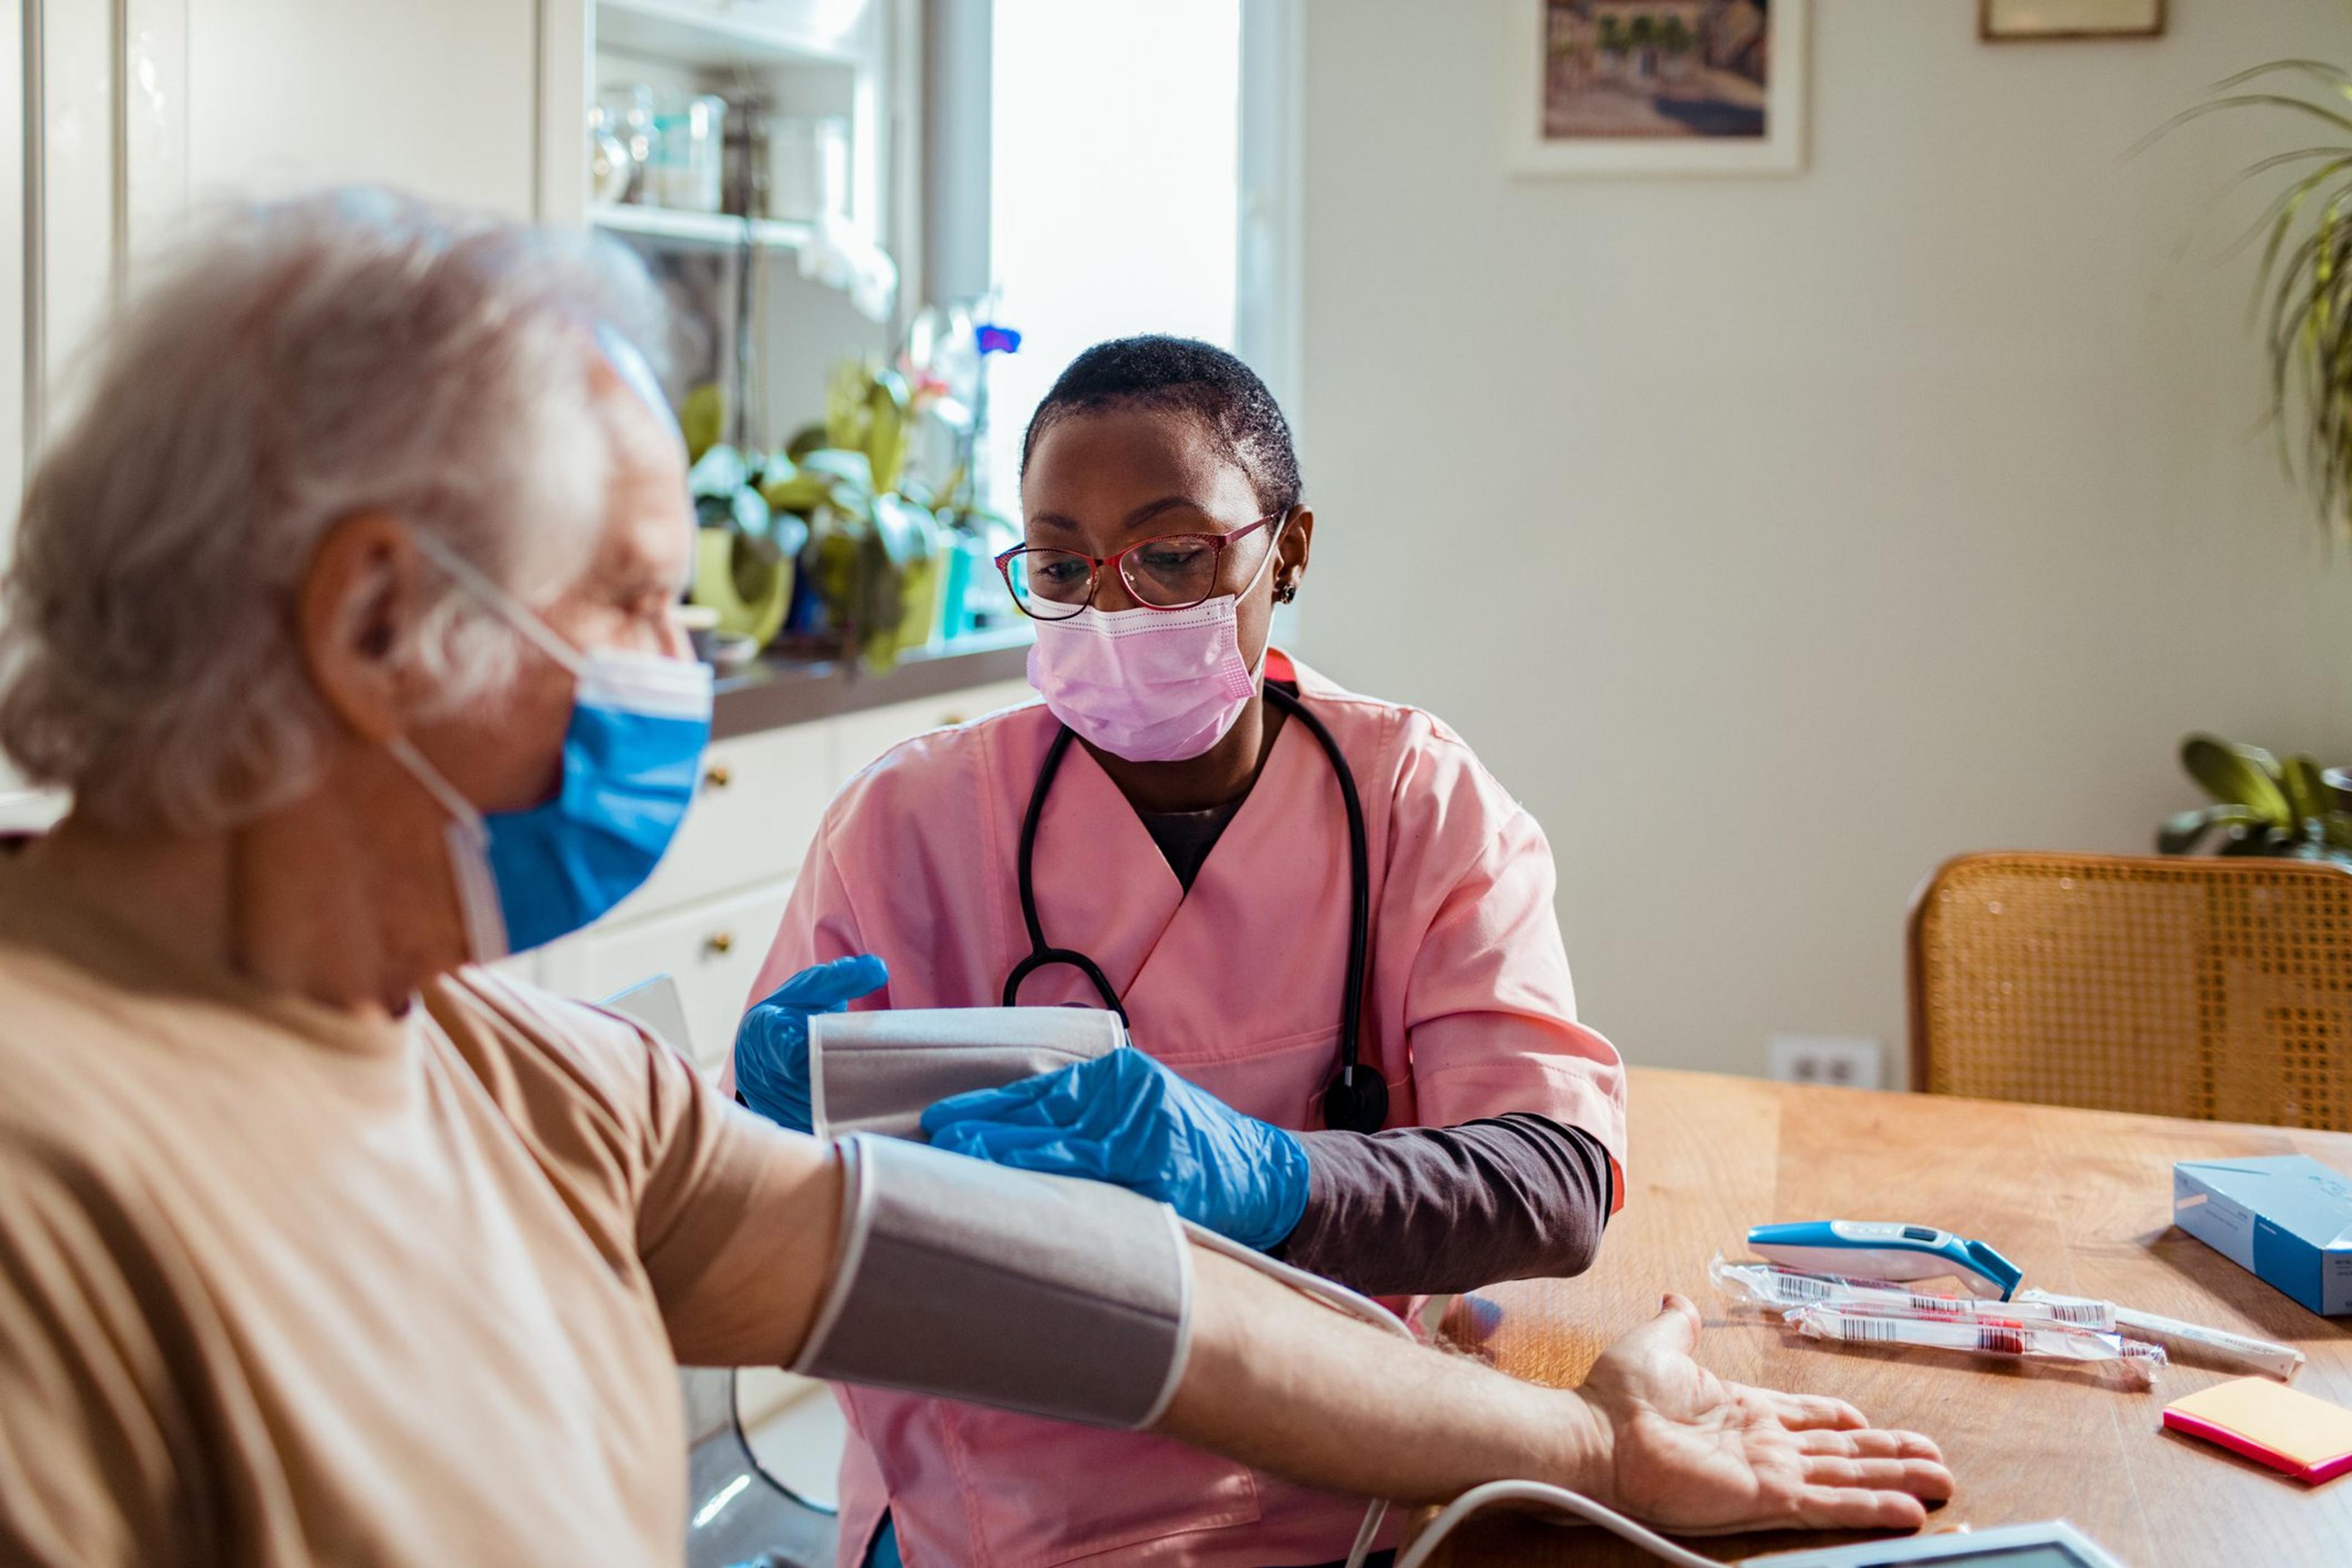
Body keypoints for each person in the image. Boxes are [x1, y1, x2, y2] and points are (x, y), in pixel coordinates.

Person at [0, 194, 1950, 1568]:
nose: (685, 670)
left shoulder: (514, 1076)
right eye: (636, 598)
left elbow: (1141, 1317)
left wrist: (1593, 1443)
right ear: (376, 625)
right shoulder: (55, 1196)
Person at [730, 339, 1625, 1565]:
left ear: (1287, 549)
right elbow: (759, 1231)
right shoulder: (909, 823)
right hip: (996, 1508)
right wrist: (764, 1136)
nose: (1113, 608)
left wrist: (1272, 1180)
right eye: (1061, 563)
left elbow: (1553, 1181)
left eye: (1168, 555)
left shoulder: (1416, 800)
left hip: (1347, 1476)